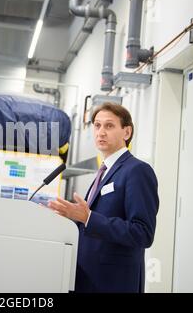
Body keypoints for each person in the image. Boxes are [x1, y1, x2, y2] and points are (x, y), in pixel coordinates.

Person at [48, 102, 159, 293]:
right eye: (97, 125)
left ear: (126, 132)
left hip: (113, 283)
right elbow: (91, 225)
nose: (101, 132)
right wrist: (67, 218)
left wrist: (88, 217)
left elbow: (142, 233)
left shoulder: (137, 170)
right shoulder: (105, 171)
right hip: (87, 278)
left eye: (109, 125)